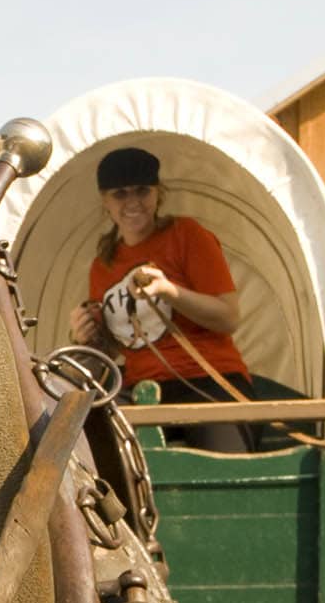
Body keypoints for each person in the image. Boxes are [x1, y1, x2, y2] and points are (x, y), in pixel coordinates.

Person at [68, 145, 258, 452]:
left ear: (158, 194)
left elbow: (228, 317)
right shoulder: (103, 265)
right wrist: (84, 334)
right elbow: (117, 346)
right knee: (93, 448)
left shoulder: (186, 235)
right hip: (140, 390)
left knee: (222, 474)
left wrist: (169, 291)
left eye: (142, 191)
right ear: (106, 202)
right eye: (120, 194)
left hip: (208, 382)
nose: (132, 202)